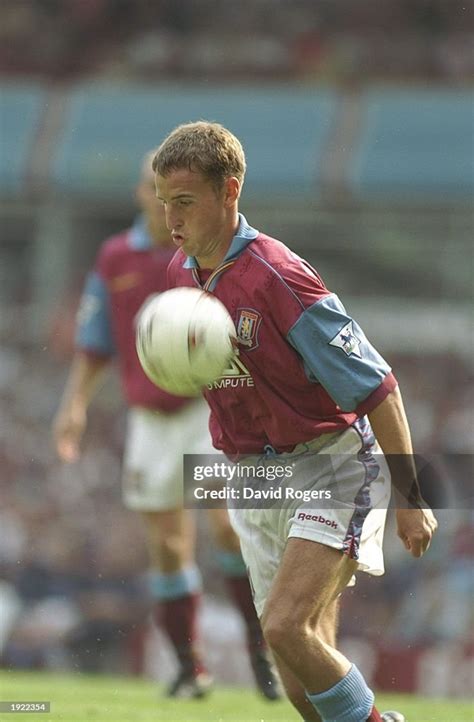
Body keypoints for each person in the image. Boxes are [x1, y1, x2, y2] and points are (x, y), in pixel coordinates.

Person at [152, 121, 438, 722]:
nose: (172, 220)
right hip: (252, 479)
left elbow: (378, 386)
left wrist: (411, 495)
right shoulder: (178, 278)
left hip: (329, 461)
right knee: (297, 677)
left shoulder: (277, 275)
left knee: (285, 626)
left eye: (185, 202)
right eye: (164, 204)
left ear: (229, 192)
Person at [52, 151, 280, 700]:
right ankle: (189, 667)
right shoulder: (114, 257)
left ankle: (262, 652)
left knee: (227, 526)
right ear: (142, 195)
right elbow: (96, 342)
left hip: (207, 410)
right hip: (149, 419)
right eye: (155, 192)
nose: (163, 205)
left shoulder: (208, 253)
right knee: (168, 546)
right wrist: (75, 405)